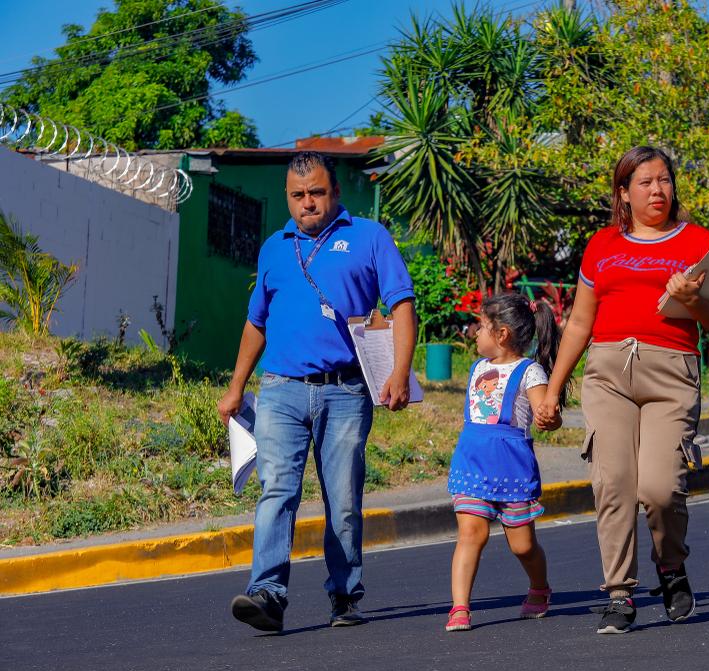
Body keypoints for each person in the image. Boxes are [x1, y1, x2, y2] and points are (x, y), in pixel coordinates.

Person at [216, 151, 416, 633]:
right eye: (298, 195)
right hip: (281, 390)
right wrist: (235, 386)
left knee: (343, 498)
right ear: (288, 196)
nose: (308, 203)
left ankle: (345, 595)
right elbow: (255, 323)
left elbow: (402, 304)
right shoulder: (274, 247)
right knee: (276, 491)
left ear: (335, 193)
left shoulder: (368, 237)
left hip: (346, 391)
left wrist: (401, 372)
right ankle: (268, 593)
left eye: (317, 193)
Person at [537, 146, 709, 634]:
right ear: (623, 193)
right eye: (645, 182)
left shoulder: (697, 243)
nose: (657, 190)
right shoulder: (602, 244)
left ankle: (670, 564)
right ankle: (620, 592)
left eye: (664, 180)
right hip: (607, 372)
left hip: (671, 371)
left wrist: (694, 300)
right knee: (613, 483)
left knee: (661, 489)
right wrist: (553, 390)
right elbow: (579, 322)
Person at [444, 293, 566, 632]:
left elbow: (545, 414)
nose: (474, 333)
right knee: (470, 534)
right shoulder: (477, 368)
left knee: (523, 545)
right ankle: (459, 608)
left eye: (481, 327)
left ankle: (539, 588)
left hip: (512, 469)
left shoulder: (530, 372)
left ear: (501, 335)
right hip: (472, 465)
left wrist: (549, 418)